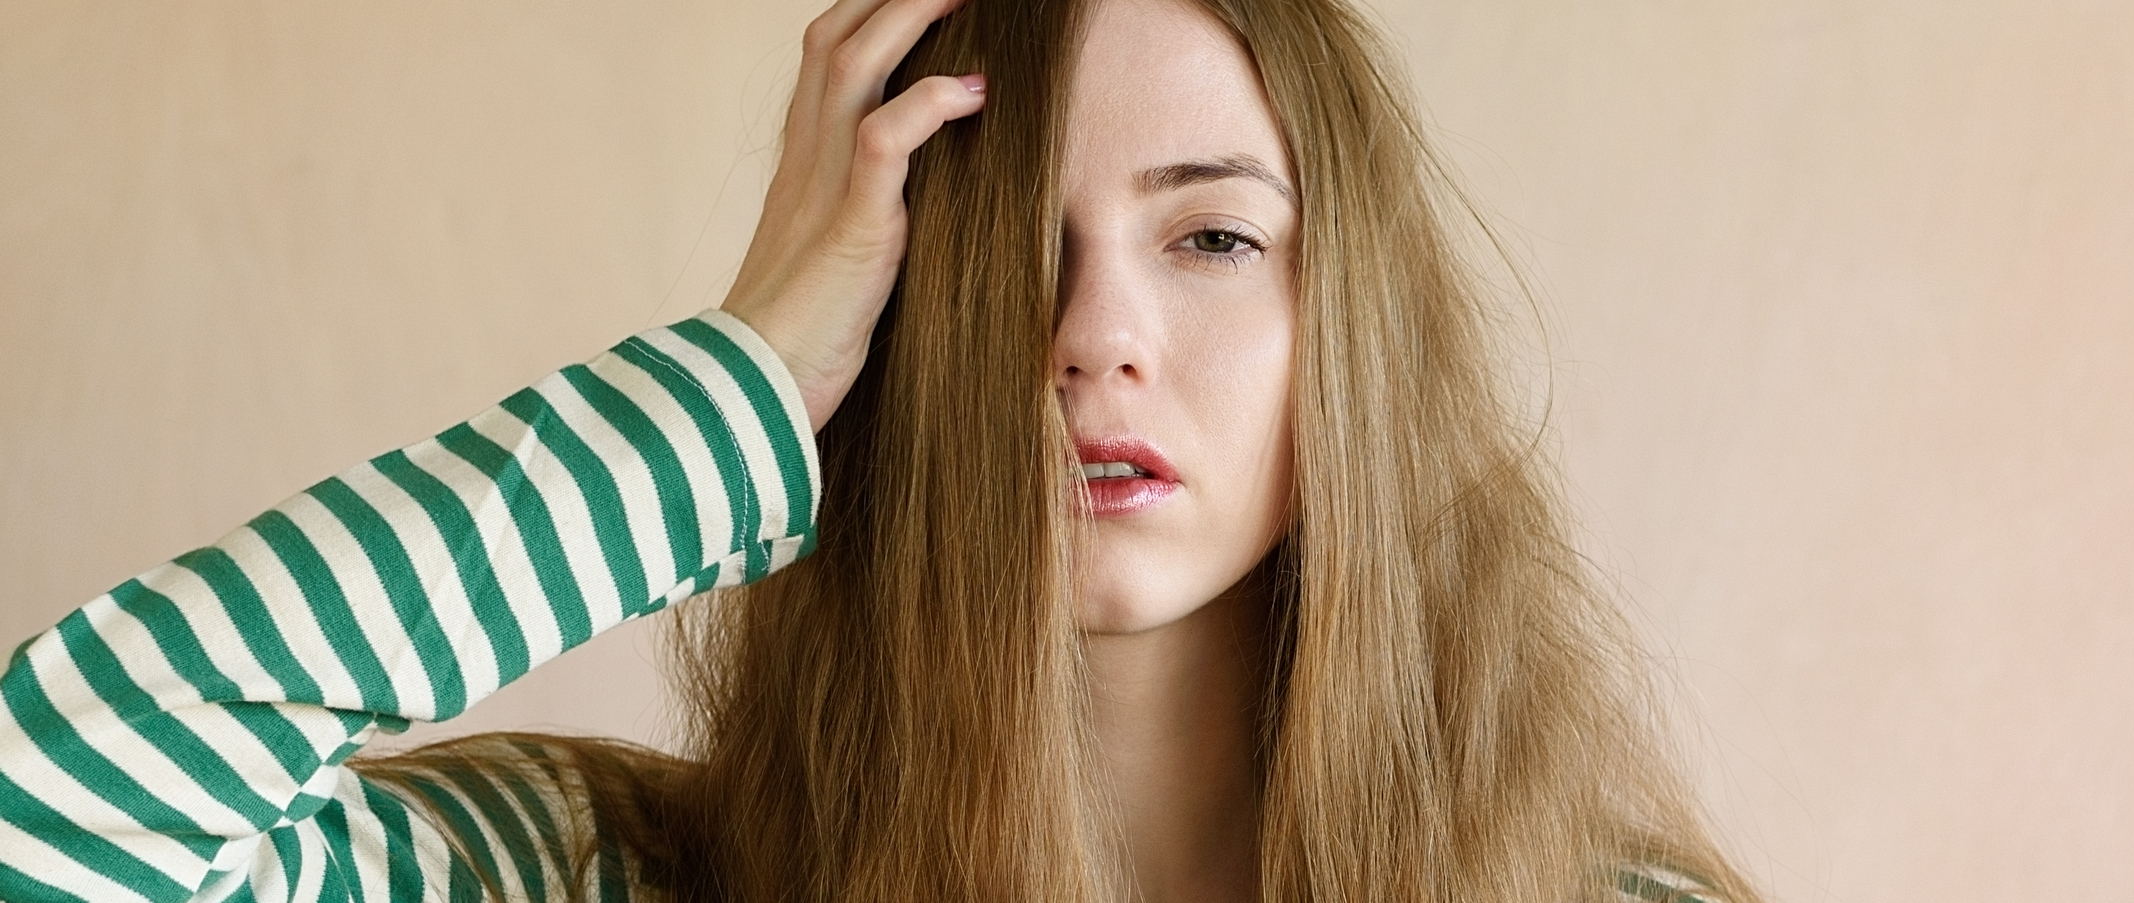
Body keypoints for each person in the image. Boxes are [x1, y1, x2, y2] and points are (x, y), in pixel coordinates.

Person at [0, 0, 1757, 899]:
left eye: (1214, 238)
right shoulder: (602, 881)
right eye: (991, 256)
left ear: (1354, 333)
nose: (1095, 336)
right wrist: (741, 377)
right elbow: (58, 818)